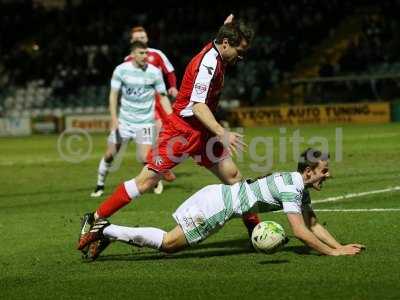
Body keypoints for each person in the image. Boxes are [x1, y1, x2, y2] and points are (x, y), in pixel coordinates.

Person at [79, 18, 261, 258]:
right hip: (183, 131)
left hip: (201, 130)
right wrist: (222, 132)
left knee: (234, 177)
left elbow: (221, 41)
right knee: (146, 182)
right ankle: (95, 219)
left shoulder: (219, 50)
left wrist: (227, 24)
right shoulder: (207, 64)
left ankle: (256, 233)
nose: (241, 57)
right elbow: (197, 106)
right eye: (240, 51)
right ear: (226, 44)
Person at [78, 148, 365, 259]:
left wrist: (338, 245)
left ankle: (107, 230)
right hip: (216, 207)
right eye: (324, 170)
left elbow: (312, 223)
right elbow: (301, 232)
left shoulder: (296, 184)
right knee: (168, 245)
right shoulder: (292, 188)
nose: (329, 174)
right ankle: (105, 229)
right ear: (309, 171)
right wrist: (334, 255)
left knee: (169, 243)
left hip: (216, 196)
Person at [90, 41, 169, 198]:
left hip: (145, 123)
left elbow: (163, 97)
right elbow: (113, 95)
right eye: (141, 53)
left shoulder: (154, 72)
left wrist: (172, 117)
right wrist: (113, 118)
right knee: (110, 154)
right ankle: (99, 185)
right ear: (132, 54)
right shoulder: (121, 70)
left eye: (146, 53)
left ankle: (154, 181)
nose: (145, 56)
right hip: (124, 122)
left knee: (144, 157)